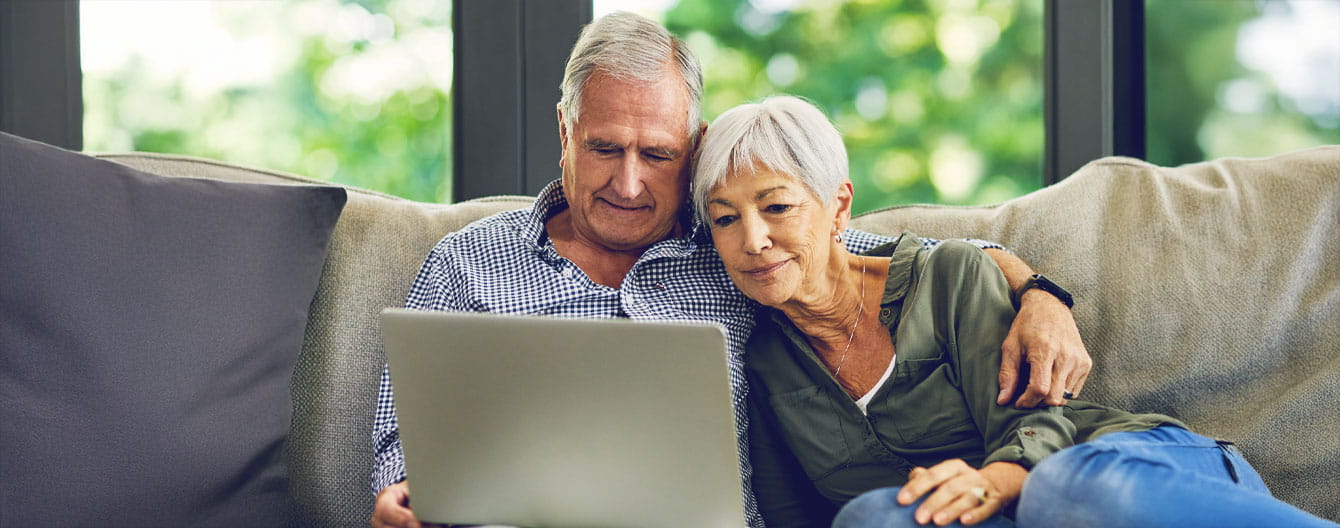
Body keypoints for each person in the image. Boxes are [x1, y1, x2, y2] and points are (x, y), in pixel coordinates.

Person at [371, 12, 1092, 528]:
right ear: (565, 131)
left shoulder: (738, 252)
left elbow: (889, 261)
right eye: (603, 148)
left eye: (655, 155)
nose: (627, 183)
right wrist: (399, 491)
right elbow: (403, 429)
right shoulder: (467, 263)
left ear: (694, 148)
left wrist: (1038, 292)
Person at [692, 95, 1339, 528]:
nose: (753, 240)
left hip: (1127, 473)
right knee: (873, 518)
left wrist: (988, 483)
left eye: (776, 207)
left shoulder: (945, 276)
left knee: (1063, 487)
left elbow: (1039, 428)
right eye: (726, 219)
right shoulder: (763, 361)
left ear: (837, 207)